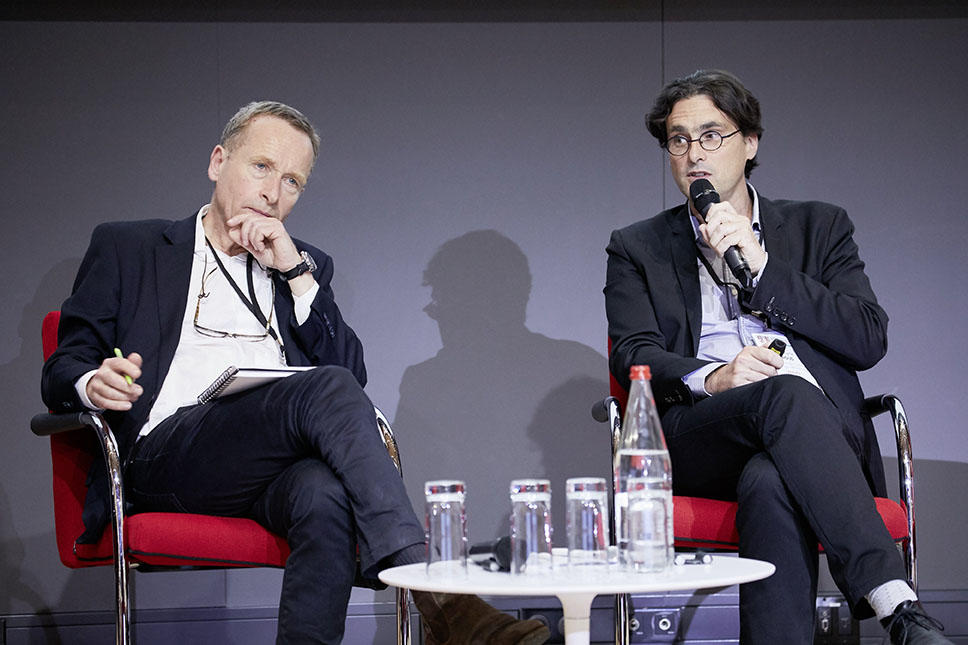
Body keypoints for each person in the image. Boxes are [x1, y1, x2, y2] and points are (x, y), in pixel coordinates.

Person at [41, 100, 549, 645]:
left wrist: (295, 274)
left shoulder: (303, 263)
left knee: (324, 496)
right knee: (324, 390)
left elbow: (352, 375)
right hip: (164, 455)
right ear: (218, 162)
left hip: (264, 466)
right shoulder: (132, 247)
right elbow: (62, 365)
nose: (273, 192)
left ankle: (443, 610)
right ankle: (447, 603)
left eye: (292, 181)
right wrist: (92, 382)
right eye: (261, 167)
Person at [604, 70, 951, 644]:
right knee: (785, 394)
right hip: (703, 433)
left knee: (769, 481)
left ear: (750, 142)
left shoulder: (820, 226)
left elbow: (867, 337)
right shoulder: (637, 245)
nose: (694, 154)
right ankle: (896, 605)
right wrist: (715, 377)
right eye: (678, 139)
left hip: (815, 439)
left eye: (711, 135)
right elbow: (635, 355)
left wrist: (762, 268)